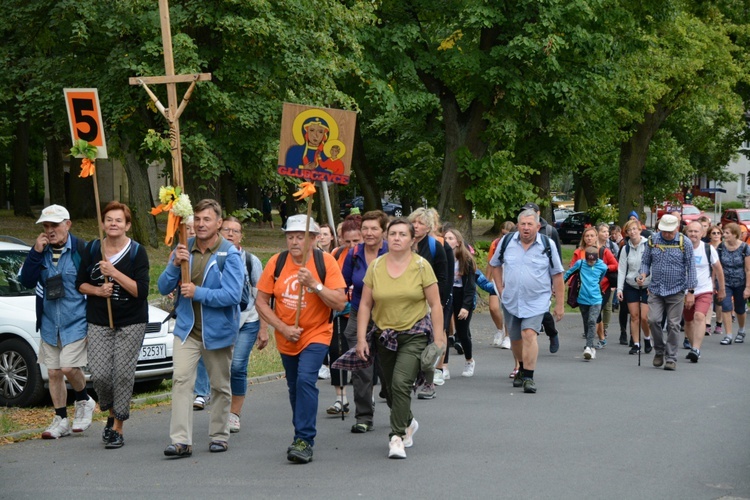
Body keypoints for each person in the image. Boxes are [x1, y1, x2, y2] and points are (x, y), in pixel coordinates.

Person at [255, 214, 347, 464]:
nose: (294, 242)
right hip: (287, 336)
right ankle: (301, 434)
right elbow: (261, 301)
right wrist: (282, 329)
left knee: (306, 380)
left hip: (317, 333)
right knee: (295, 386)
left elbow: (339, 302)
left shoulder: (325, 261)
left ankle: (305, 439)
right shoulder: (277, 262)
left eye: (300, 237)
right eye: (290, 236)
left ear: (315, 239)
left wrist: (314, 285)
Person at [158, 199, 243, 458]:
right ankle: (181, 440)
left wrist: (198, 293)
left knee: (219, 386)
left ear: (219, 223)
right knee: (182, 381)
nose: (201, 224)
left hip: (217, 332)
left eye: (207, 219)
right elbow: (163, 287)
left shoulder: (230, 254)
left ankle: (219, 435)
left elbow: (232, 295)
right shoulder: (183, 248)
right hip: (187, 330)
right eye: (197, 219)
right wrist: (174, 264)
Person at [354, 218, 445, 459]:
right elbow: (365, 304)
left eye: (402, 234)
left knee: (401, 383)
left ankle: (396, 437)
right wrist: (361, 338)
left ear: (412, 239)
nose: (396, 238)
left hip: (413, 334)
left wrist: (439, 340)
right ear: (386, 237)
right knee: (389, 389)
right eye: (392, 233)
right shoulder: (375, 266)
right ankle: (409, 422)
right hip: (384, 336)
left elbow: (435, 304)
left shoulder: (422, 266)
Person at [75, 202, 149, 449]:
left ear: (127, 225)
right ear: (103, 223)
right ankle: (110, 411)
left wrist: (114, 273)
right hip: (99, 320)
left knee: (123, 374)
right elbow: (80, 284)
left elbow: (141, 291)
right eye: (109, 219)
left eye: (119, 220)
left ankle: (118, 428)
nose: (113, 224)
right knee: (100, 373)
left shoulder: (138, 252)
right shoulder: (93, 248)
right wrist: (98, 289)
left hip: (131, 321)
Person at [20, 204, 96, 439]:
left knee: (68, 367)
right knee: (53, 373)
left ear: (68, 225)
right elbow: (26, 280)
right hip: (49, 323)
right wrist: (34, 251)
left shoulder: (82, 249)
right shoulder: (39, 252)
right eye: (46, 226)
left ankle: (84, 399)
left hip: (77, 320)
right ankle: (61, 418)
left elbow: (94, 280)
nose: (50, 230)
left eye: (55, 225)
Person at [191, 217, 269, 432]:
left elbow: (260, 297)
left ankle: (234, 413)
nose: (231, 234)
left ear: (241, 236)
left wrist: (263, 328)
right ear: (219, 230)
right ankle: (213, 403)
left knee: (237, 367)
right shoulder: (211, 257)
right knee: (218, 367)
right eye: (227, 229)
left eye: (236, 231)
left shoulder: (251, 261)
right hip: (221, 321)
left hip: (247, 320)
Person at [489, 209, 565, 393]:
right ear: (518, 226)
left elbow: (557, 275)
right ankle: (522, 369)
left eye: (530, 224)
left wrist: (560, 305)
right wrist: (500, 289)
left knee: (529, 334)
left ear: (538, 227)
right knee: (515, 339)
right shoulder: (507, 242)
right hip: (511, 300)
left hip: (537, 301)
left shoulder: (547, 245)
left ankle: (529, 377)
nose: (526, 228)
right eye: (522, 224)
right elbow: (495, 265)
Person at [340, 210, 389, 433]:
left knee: (389, 369)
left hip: (389, 317)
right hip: (359, 314)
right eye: (365, 228)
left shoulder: (393, 252)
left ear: (383, 231)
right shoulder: (354, 254)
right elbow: (342, 283)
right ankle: (363, 415)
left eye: (374, 228)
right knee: (361, 368)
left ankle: (398, 409)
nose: (368, 233)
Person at [638, 214, 697, 371]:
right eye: (664, 231)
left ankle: (671, 357)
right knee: (653, 320)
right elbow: (645, 262)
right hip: (656, 289)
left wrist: (690, 291)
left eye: (670, 232)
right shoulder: (653, 240)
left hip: (677, 290)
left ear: (677, 229)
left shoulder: (685, 243)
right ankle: (659, 351)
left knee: (673, 324)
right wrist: (643, 274)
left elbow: (691, 267)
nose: (667, 234)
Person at [407, 208, 448, 399]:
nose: (416, 226)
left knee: (429, 341)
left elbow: (443, 276)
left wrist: (438, 302)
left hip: (429, 302)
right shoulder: (402, 243)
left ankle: (429, 383)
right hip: (406, 302)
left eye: (421, 223)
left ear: (428, 227)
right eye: (414, 222)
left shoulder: (434, 246)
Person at [325, 217, 363, 415]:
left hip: (363, 311)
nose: (352, 245)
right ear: (340, 240)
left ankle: (366, 396)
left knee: (363, 354)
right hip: (340, 309)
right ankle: (341, 398)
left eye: (356, 241)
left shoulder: (368, 254)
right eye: (347, 241)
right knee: (336, 352)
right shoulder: (336, 254)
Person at [518, 203, 562, 354]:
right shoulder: (520, 229)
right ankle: (529, 340)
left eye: (530, 213)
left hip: (543, 279)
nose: (526, 226)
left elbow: (557, 261)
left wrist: (555, 285)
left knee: (542, 311)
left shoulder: (550, 231)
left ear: (538, 214)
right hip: (522, 281)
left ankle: (551, 333)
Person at [570, 227, 617, 349]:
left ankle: (594, 342)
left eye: (592, 235)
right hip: (583, 289)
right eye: (587, 236)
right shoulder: (579, 252)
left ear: (596, 237)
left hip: (602, 287)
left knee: (594, 314)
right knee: (592, 316)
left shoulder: (603, 251)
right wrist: (571, 283)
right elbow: (572, 268)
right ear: (583, 238)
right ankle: (598, 338)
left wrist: (604, 269)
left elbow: (615, 265)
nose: (589, 238)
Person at [683, 221, 725, 362]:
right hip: (684, 292)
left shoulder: (708, 249)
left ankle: (696, 349)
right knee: (688, 321)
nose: (693, 234)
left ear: (702, 234)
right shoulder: (681, 248)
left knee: (699, 316)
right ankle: (692, 344)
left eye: (696, 231)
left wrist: (721, 289)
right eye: (690, 231)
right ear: (686, 233)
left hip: (704, 289)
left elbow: (718, 270)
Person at [616, 220, 653, 355]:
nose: (632, 232)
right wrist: (619, 289)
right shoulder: (625, 248)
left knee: (644, 317)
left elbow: (653, 265)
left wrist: (651, 283)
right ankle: (636, 344)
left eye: (634, 229)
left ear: (639, 230)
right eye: (629, 230)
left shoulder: (648, 245)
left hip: (647, 285)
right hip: (631, 285)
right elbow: (621, 270)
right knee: (634, 316)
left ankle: (647, 339)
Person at [444, 228, 477, 376]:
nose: (447, 240)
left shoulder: (466, 259)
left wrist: (465, 306)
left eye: (450, 238)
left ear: (457, 242)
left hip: (462, 295)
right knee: (443, 331)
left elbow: (470, 286)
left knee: (462, 332)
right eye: (445, 238)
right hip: (448, 294)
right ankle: (443, 366)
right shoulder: (443, 257)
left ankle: (469, 360)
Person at [563, 247, 607, 360]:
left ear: (597, 258)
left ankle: (588, 347)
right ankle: (591, 346)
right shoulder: (580, 264)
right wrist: (558, 286)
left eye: (593, 260)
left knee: (592, 321)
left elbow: (600, 278)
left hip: (596, 299)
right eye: (588, 260)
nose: (590, 262)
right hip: (582, 298)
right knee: (586, 322)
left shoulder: (602, 266)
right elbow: (568, 273)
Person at [716, 222, 750, 345]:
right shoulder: (720, 247)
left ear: (735, 235)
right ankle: (728, 335)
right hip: (725, 282)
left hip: (741, 282)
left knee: (740, 309)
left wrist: (747, 288)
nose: (724, 235)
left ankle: (741, 331)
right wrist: (715, 283)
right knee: (726, 307)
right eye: (724, 232)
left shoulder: (745, 248)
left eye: (727, 233)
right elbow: (716, 266)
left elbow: (748, 269)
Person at [487, 221, 515, 349]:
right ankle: (500, 329)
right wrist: (488, 279)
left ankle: (508, 336)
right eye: (503, 234)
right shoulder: (496, 243)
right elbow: (491, 262)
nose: (505, 237)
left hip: (509, 280)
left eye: (507, 234)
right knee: (493, 308)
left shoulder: (516, 245)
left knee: (508, 309)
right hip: (496, 279)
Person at [708, 225, 724, 335]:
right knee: (709, 301)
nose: (716, 235)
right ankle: (707, 325)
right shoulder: (706, 246)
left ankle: (719, 324)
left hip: (721, 275)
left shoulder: (724, 247)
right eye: (714, 233)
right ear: (709, 235)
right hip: (708, 274)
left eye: (718, 233)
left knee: (719, 302)